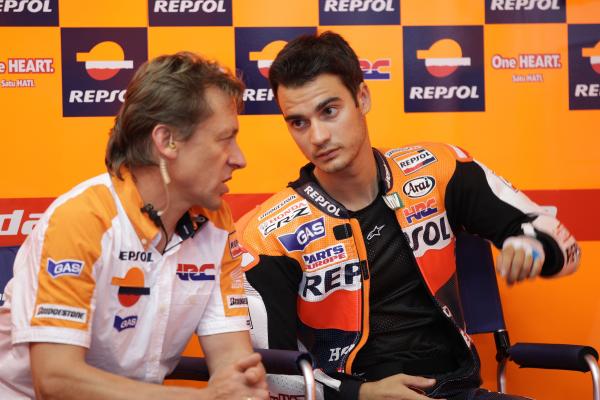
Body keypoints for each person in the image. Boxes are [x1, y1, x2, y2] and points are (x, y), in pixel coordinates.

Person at [237, 32, 581, 400]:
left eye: (329, 111)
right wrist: (361, 393)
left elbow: (560, 243)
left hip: (457, 389)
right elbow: (269, 374)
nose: (317, 136)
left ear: (362, 98)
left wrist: (533, 249)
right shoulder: (267, 237)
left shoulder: (437, 169)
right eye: (298, 122)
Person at [0, 52, 269, 400]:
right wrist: (204, 398)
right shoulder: (83, 219)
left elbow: (233, 361)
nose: (240, 158)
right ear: (167, 141)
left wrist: (241, 389)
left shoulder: (217, 222)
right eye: (224, 138)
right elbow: (55, 380)